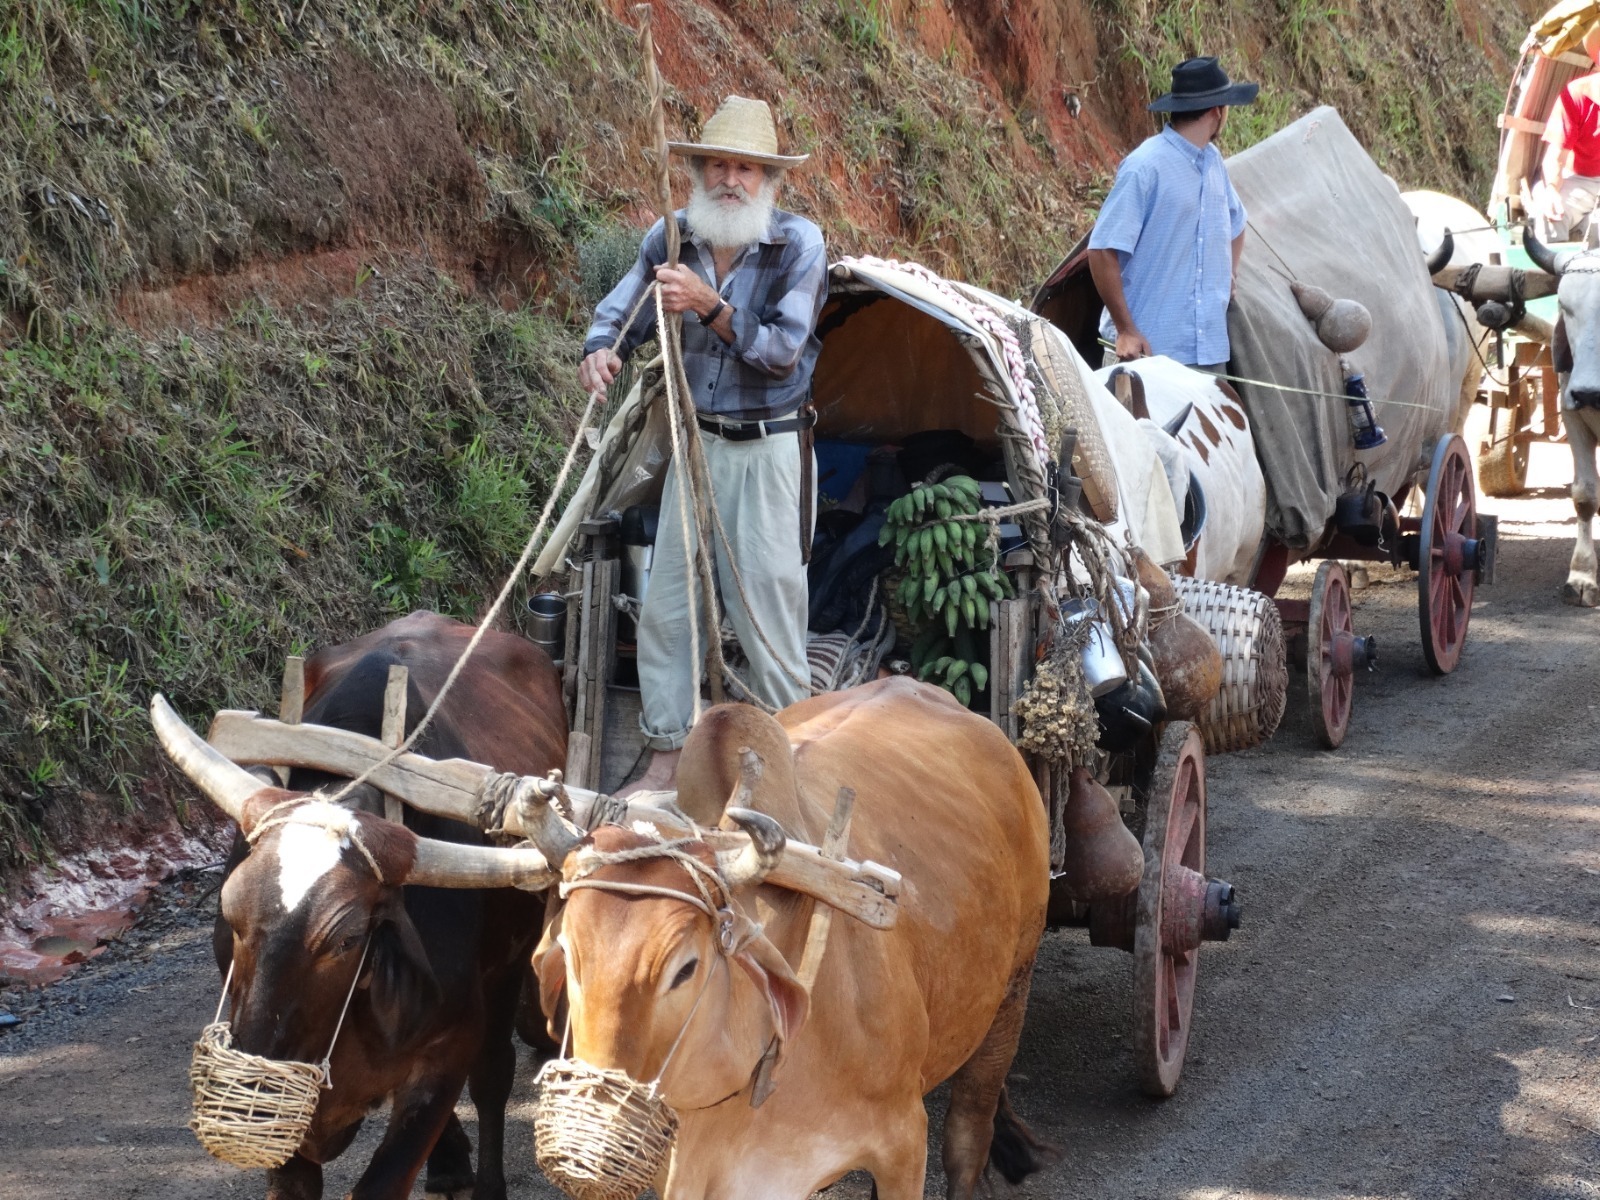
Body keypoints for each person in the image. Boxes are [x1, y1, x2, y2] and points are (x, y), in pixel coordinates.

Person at [579, 95, 826, 796]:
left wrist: (711, 308)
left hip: (768, 451)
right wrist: (603, 351)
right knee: (669, 607)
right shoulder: (672, 236)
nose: (730, 180)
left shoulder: (798, 244)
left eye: (746, 168)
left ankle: (793, 768)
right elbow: (626, 306)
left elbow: (781, 351)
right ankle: (665, 752)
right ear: (697, 172)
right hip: (697, 444)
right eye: (718, 164)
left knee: (769, 613)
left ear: (768, 181)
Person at [1087, 56, 1257, 373]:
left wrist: (1228, 276)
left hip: (1206, 353)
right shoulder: (1145, 167)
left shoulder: (1213, 163)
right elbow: (1101, 251)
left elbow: (1237, 225)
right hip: (1146, 357)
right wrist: (1126, 330)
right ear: (1217, 112)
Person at [1538, 22, 1600, 243]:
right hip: (1579, 181)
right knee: (1551, 212)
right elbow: (1555, 156)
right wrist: (1552, 190)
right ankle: (1555, 276)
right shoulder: (1576, 94)